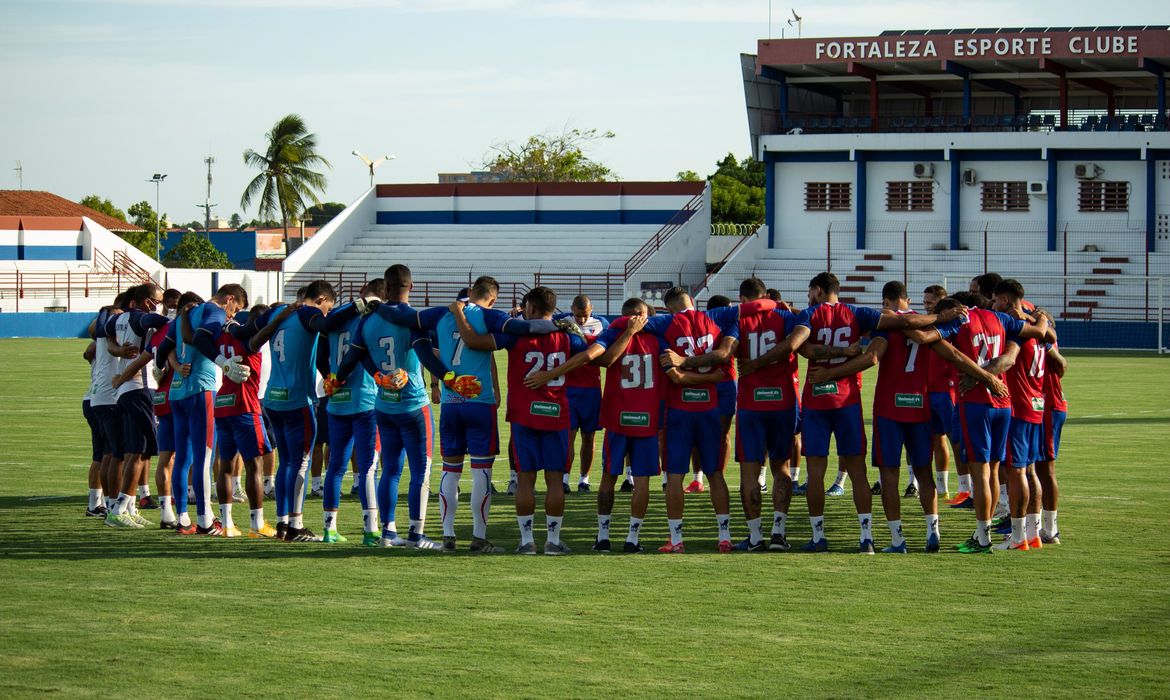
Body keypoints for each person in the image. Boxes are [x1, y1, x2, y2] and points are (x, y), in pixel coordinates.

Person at [741, 272, 962, 553]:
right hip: (851, 401)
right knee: (860, 471)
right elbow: (906, 323)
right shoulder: (859, 314)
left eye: (810, 292)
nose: (809, 297)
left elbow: (806, 349)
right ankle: (868, 538)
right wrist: (942, 320)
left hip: (818, 401)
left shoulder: (811, 313)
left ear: (818, 291)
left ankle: (820, 537)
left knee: (817, 472)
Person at [372, 275, 577, 553]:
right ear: (492, 298)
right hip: (480, 401)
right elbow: (527, 326)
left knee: (450, 470)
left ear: (470, 291)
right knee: (481, 471)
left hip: (451, 402)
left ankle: (447, 536)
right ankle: (479, 539)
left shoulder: (440, 313)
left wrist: (374, 305)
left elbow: (406, 320)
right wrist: (558, 324)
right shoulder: (491, 316)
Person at [524, 298, 683, 553]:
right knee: (641, 482)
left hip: (618, 416)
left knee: (609, 476)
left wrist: (550, 375)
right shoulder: (659, 339)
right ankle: (632, 539)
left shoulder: (613, 333)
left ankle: (603, 536)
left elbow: (598, 358)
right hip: (647, 418)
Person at [334, 267, 471, 549]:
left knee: (390, 471)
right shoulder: (411, 319)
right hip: (412, 405)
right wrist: (450, 379)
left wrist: (369, 376)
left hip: (383, 405)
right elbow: (425, 357)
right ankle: (416, 535)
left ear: (385, 287)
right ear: (411, 286)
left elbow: (351, 359)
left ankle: (388, 532)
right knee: (420, 471)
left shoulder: (368, 320)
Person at [915, 293, 1049, 554]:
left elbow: (949, 352)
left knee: (981, 473)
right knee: (996, 472)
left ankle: (983, 537)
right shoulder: (998, 317)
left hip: (975, 403)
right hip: (1004, 402)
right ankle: (994, 532)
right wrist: (1041, 319)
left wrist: (982, 378)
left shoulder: (959, 322)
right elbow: (1030, 338)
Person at [252, 280, 365, 542]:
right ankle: (296, 525)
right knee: (299, 463)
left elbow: (251, 334)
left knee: (286, 464)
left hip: (273, 397)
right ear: (322, 299)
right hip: (296, 400)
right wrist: (356, 307)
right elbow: (325, 324)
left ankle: (282, 523)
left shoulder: (280, 314)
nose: (327, 312)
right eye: (328, 307)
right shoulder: (306, 312)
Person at [495, 287, 590, 554]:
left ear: (532, 309)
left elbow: (486, 338)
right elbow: (587, 354)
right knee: (555, 479)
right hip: (556, 414)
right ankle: (553, 540)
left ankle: (526, 542)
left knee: (525, 479)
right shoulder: (568, 336)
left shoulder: (516, 335)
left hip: (524, 415)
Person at [155, 283, 252, 535]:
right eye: (235, 309)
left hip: (177, 392)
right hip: (201, 388)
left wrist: (172, 365)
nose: (232, 316)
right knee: (204, 458)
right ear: (229, 299)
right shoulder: (214, 311)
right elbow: (200, 338)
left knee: (183, 459)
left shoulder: (184, 315)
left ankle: (184, 519)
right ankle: (206, 521)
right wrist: (223, 362)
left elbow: (161, 351)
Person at [199, 301, 294, 538]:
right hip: (245, 406)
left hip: (223, 404)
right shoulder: (248, 340)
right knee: (254, 465)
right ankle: (256, 522)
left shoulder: (223, 337)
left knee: (226, 467)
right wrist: (279, 319)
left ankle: (228, 523)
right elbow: (263, 334)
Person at [730, 278, 799, 552]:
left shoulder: (739, 320)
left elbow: (727, 350)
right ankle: (779, 534)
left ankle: (756, 537)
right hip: (782, 402)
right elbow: (802, 335)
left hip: (751, 405)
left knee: (749, 473)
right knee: (781, 469)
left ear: (745, 299)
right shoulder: (785, 317)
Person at [989, 279, 1057, 551]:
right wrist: (1036, 318)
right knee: (1030, 472)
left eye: (995, 301)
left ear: (1005, 300)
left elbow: (1008, 359)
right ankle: (1034, 533)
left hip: (1017, 406)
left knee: (1016, 472)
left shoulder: (1017, 329)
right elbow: (1047, 333)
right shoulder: (1038, 328)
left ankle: (1018, 538)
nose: (993, 306)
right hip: (1036, 407)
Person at [104, 283, 169, 529]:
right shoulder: (141, 318)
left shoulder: (119, 320)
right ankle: (119, 509)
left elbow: (103, 329)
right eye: (159, 301)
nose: (161, 305)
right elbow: (163, 322)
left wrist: (117, 348)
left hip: (126, 390)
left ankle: (127, 507)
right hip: (139, 388)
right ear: (148, 302)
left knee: (134, 450)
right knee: (141, 451)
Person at [559, 294, 607, 494]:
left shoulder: (602, 324)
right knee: (568, 436)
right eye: (578, 315)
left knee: (589, 436)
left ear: (591, 309)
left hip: (592, 390)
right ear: (571, 309)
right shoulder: (562, 322)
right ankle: (564, 479)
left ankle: (584, 480)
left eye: (585, 315)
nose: (581, 320)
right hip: (568, 389)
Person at [1038, 338, 1067, 545]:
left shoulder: (1042, 341)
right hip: (1044, 406)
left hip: (1047, 407)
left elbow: (1063, 366)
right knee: (1036, 469)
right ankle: (1038, 527)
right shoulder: (1045, 341)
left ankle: (1050, 530)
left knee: (1045, 469)